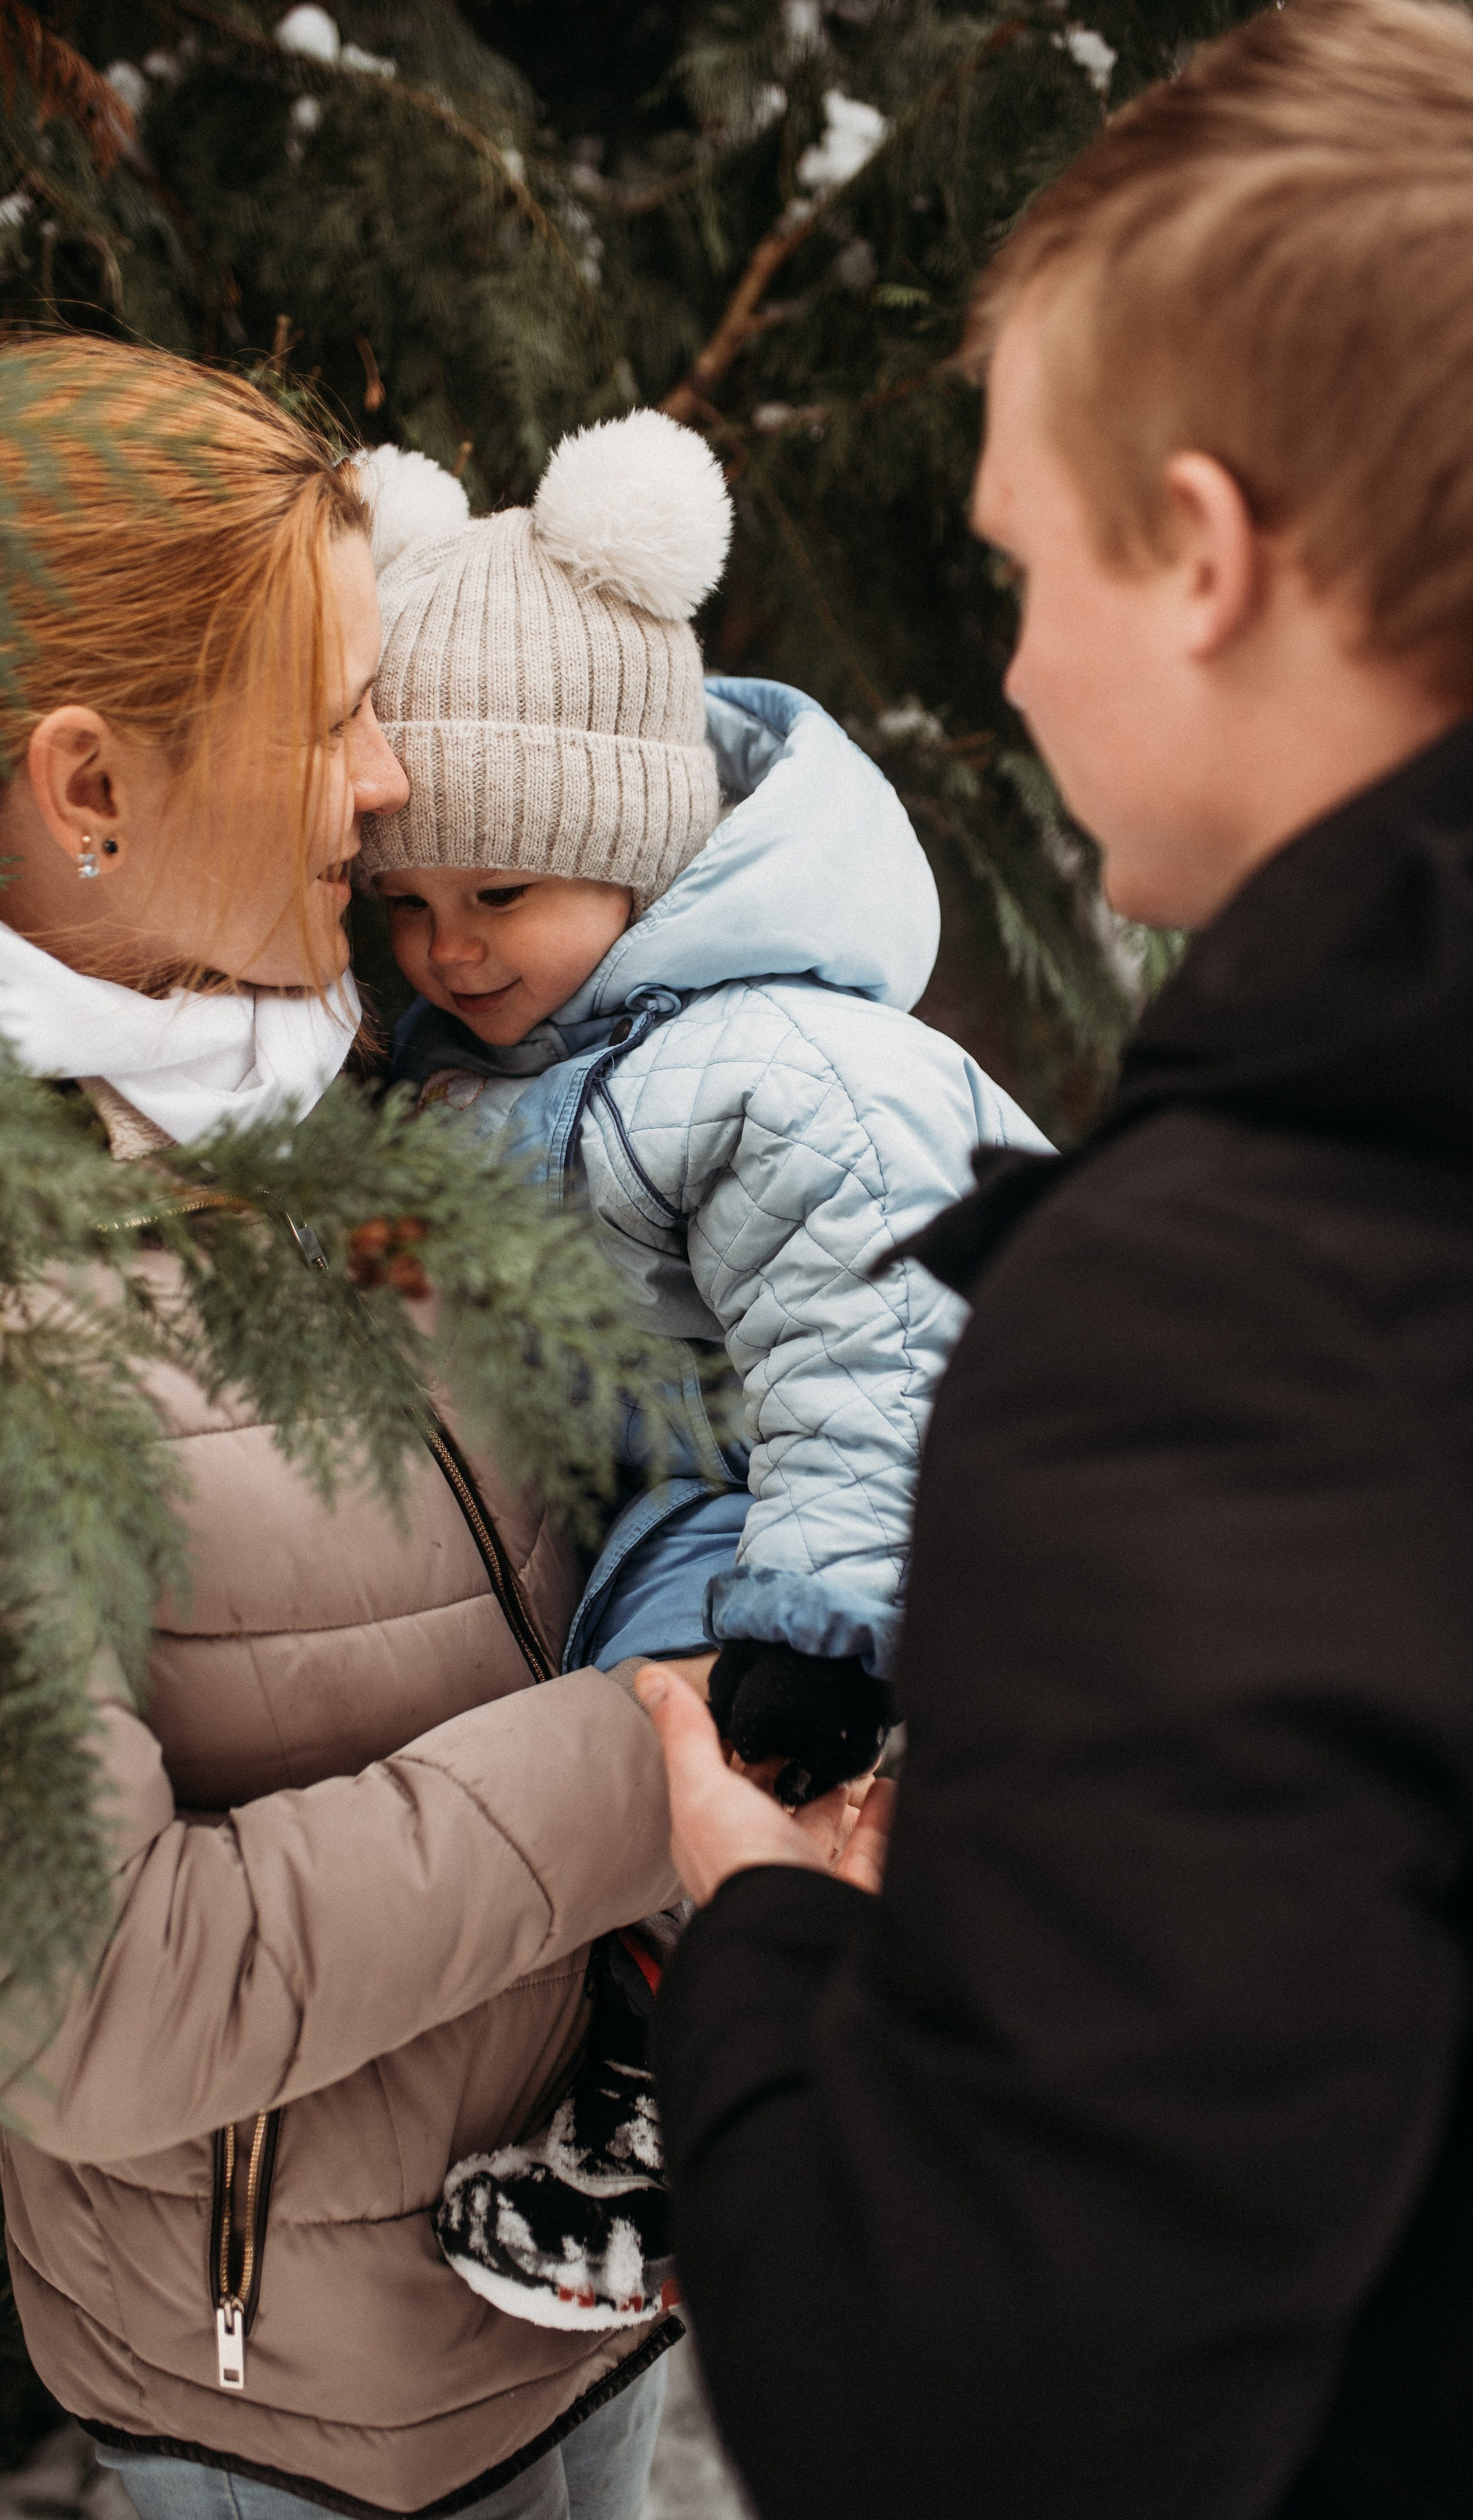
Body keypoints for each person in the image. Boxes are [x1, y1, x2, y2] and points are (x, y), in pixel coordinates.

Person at [636, 3, 1473, 2515]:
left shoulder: (1239, 1316)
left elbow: (978, 2420)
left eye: (1022, 563)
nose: (1002, 668)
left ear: (1204, 552)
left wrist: (766, 1954)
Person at [0, 336, 686, 2520]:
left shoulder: (321, 1069)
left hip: (573, 2311)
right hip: (288, 2419)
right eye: (339, 710)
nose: (390, 785)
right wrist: (657, 1756)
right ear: (87, 789)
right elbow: (83, 2001)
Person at [348, 410, 1044, 2329]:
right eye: (408, 900)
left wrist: (818, 1622)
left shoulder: (773, 1063)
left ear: (632, 850)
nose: (449, 945)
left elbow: (879, 1343)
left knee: (669, 1708)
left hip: (837, 1522)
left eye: (500, 893)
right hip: (689, 1483)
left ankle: (674, 2127)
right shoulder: (535, 1050)